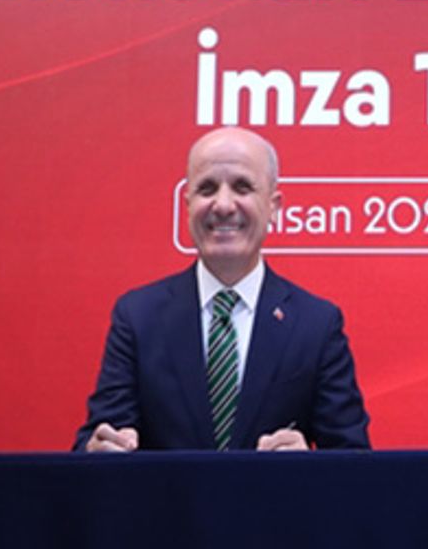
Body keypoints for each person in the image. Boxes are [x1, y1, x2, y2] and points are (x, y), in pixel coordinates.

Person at [75, 127, 370, 452]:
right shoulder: (138, 317)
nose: (224, 205)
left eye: (242, 187)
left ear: (274, 206)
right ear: (188, 205)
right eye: (207, 188)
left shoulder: (317, 324)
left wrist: (308, 467)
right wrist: (99, 452)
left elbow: (353, 459)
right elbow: (97, 440)